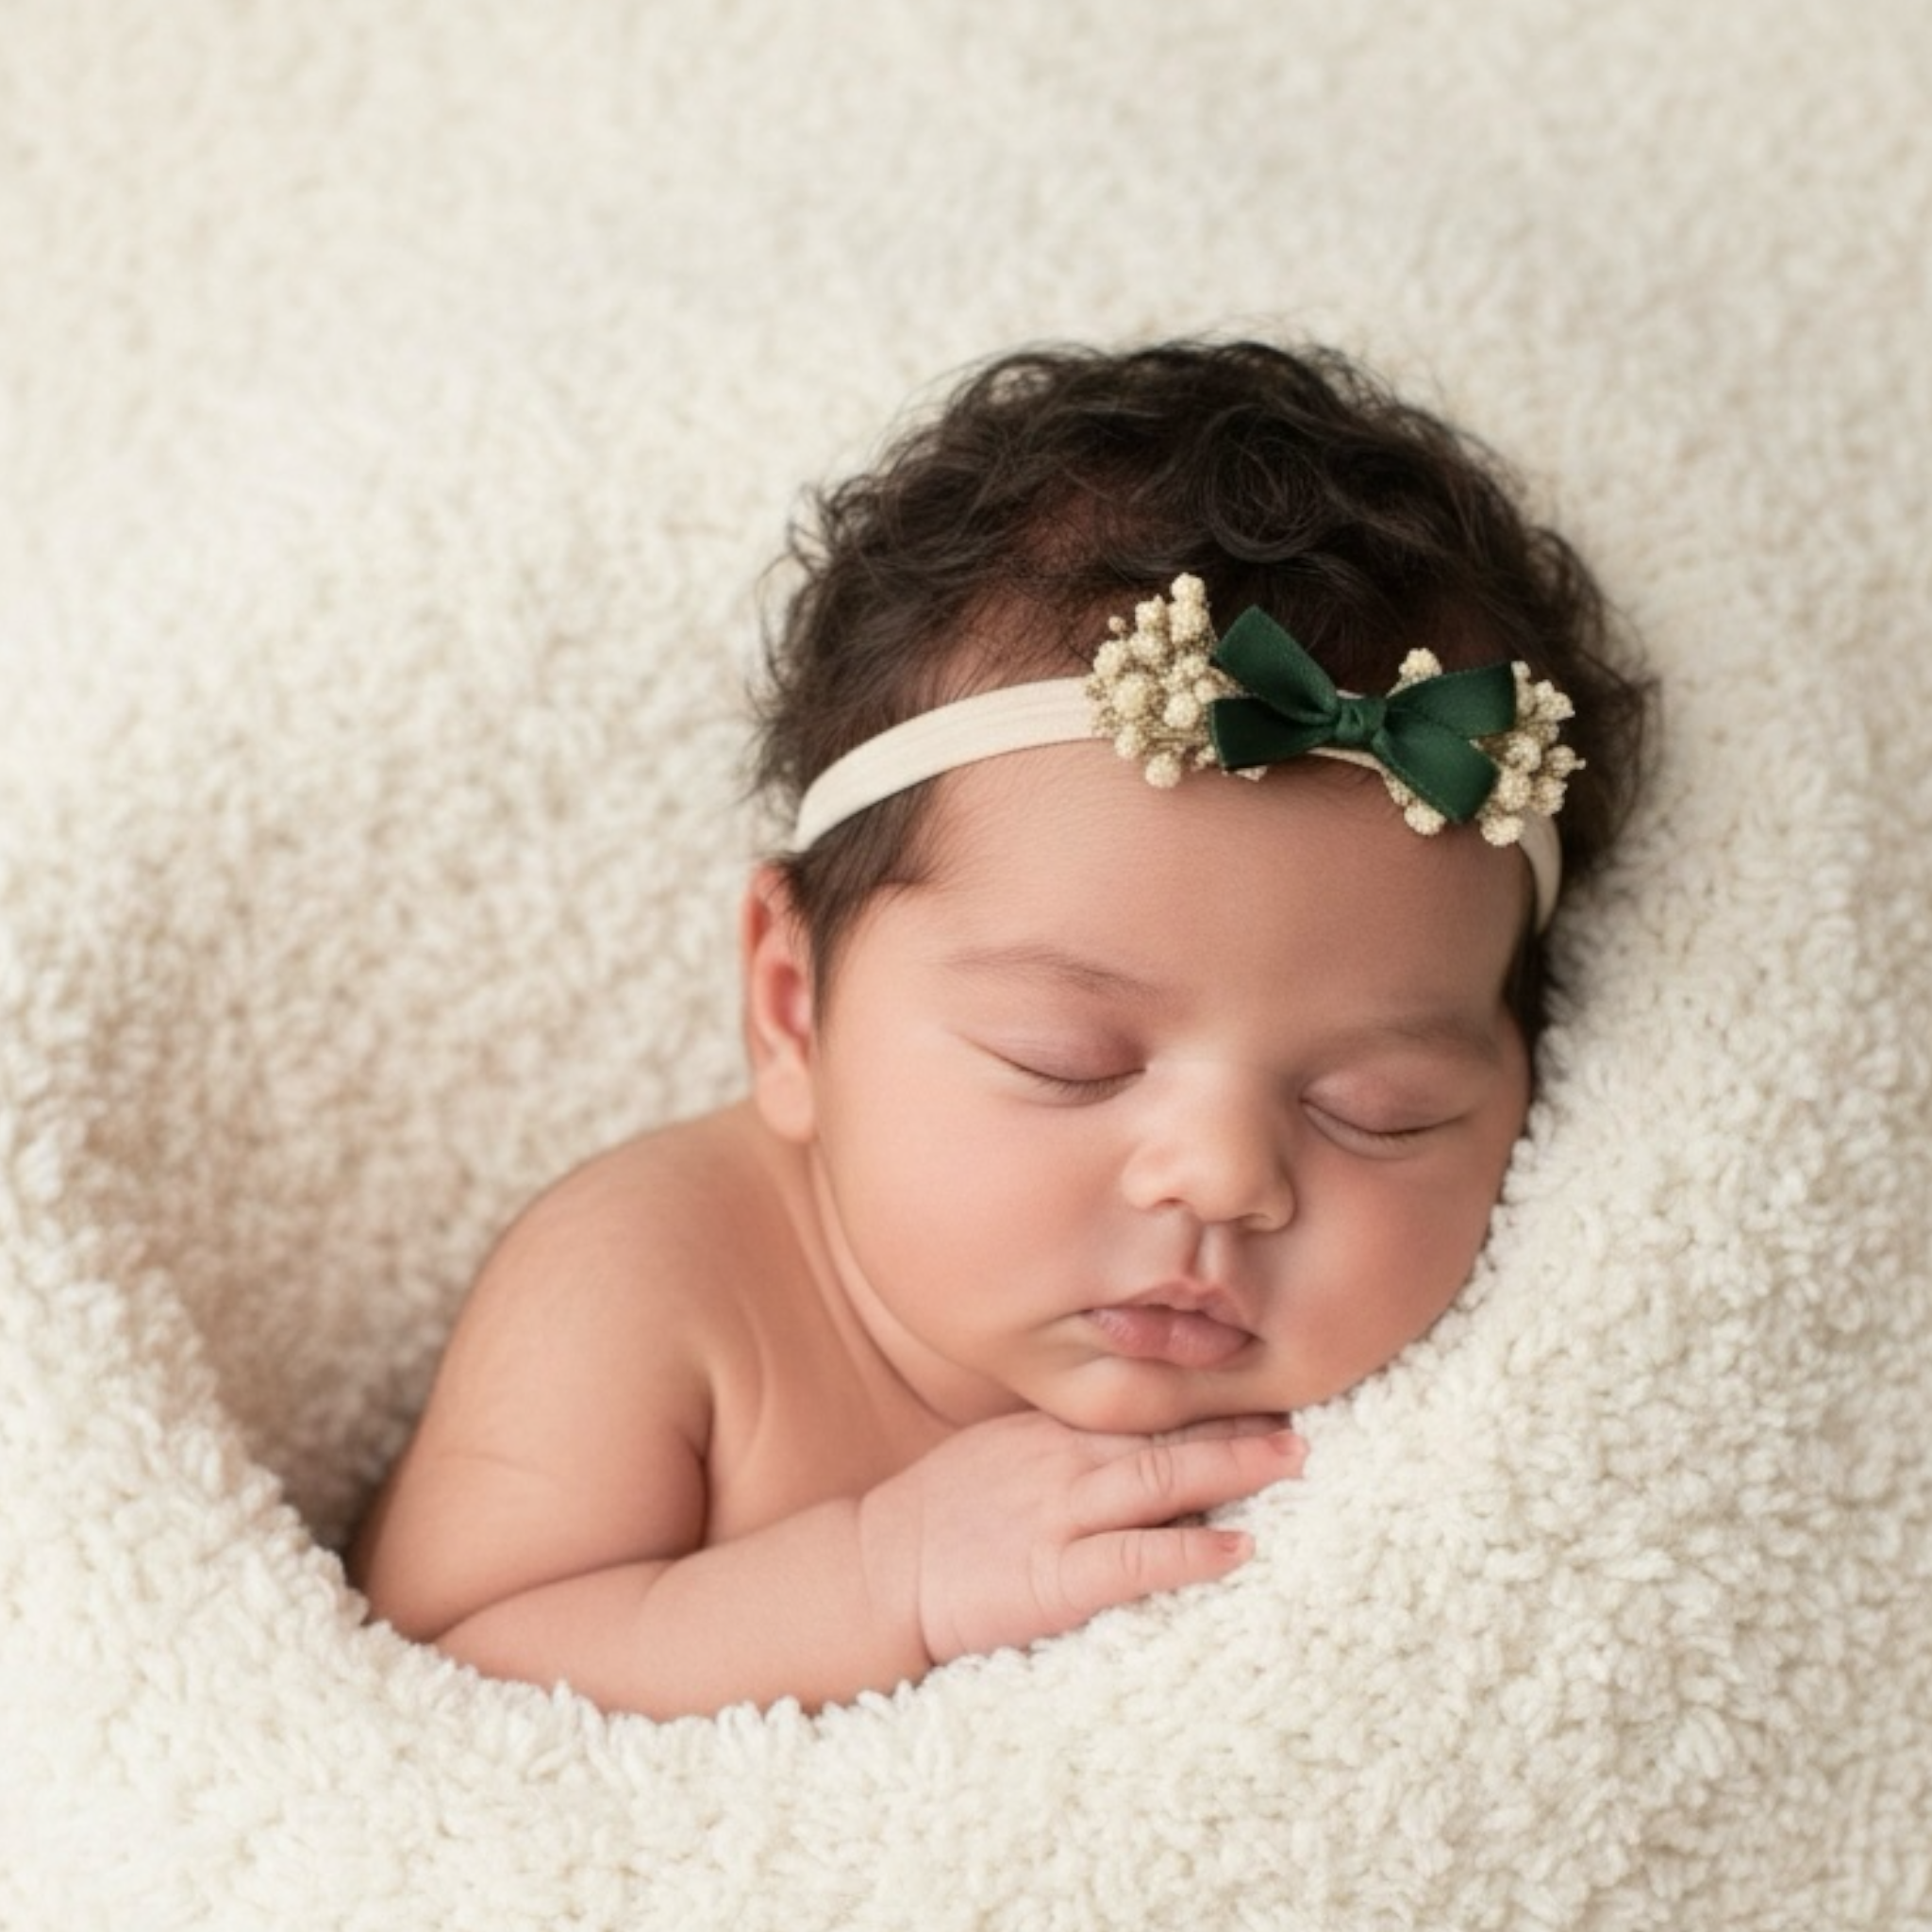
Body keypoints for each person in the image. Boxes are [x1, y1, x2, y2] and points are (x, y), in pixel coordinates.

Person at [350, 340, 1649, 1720]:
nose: (1219, 1178)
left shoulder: (1462, 1407)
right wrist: (880, 1578)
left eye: (1376, 1108)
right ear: (795, 1010)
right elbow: (442, 1671)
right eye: (1064, 1059)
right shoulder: (657, 1285)